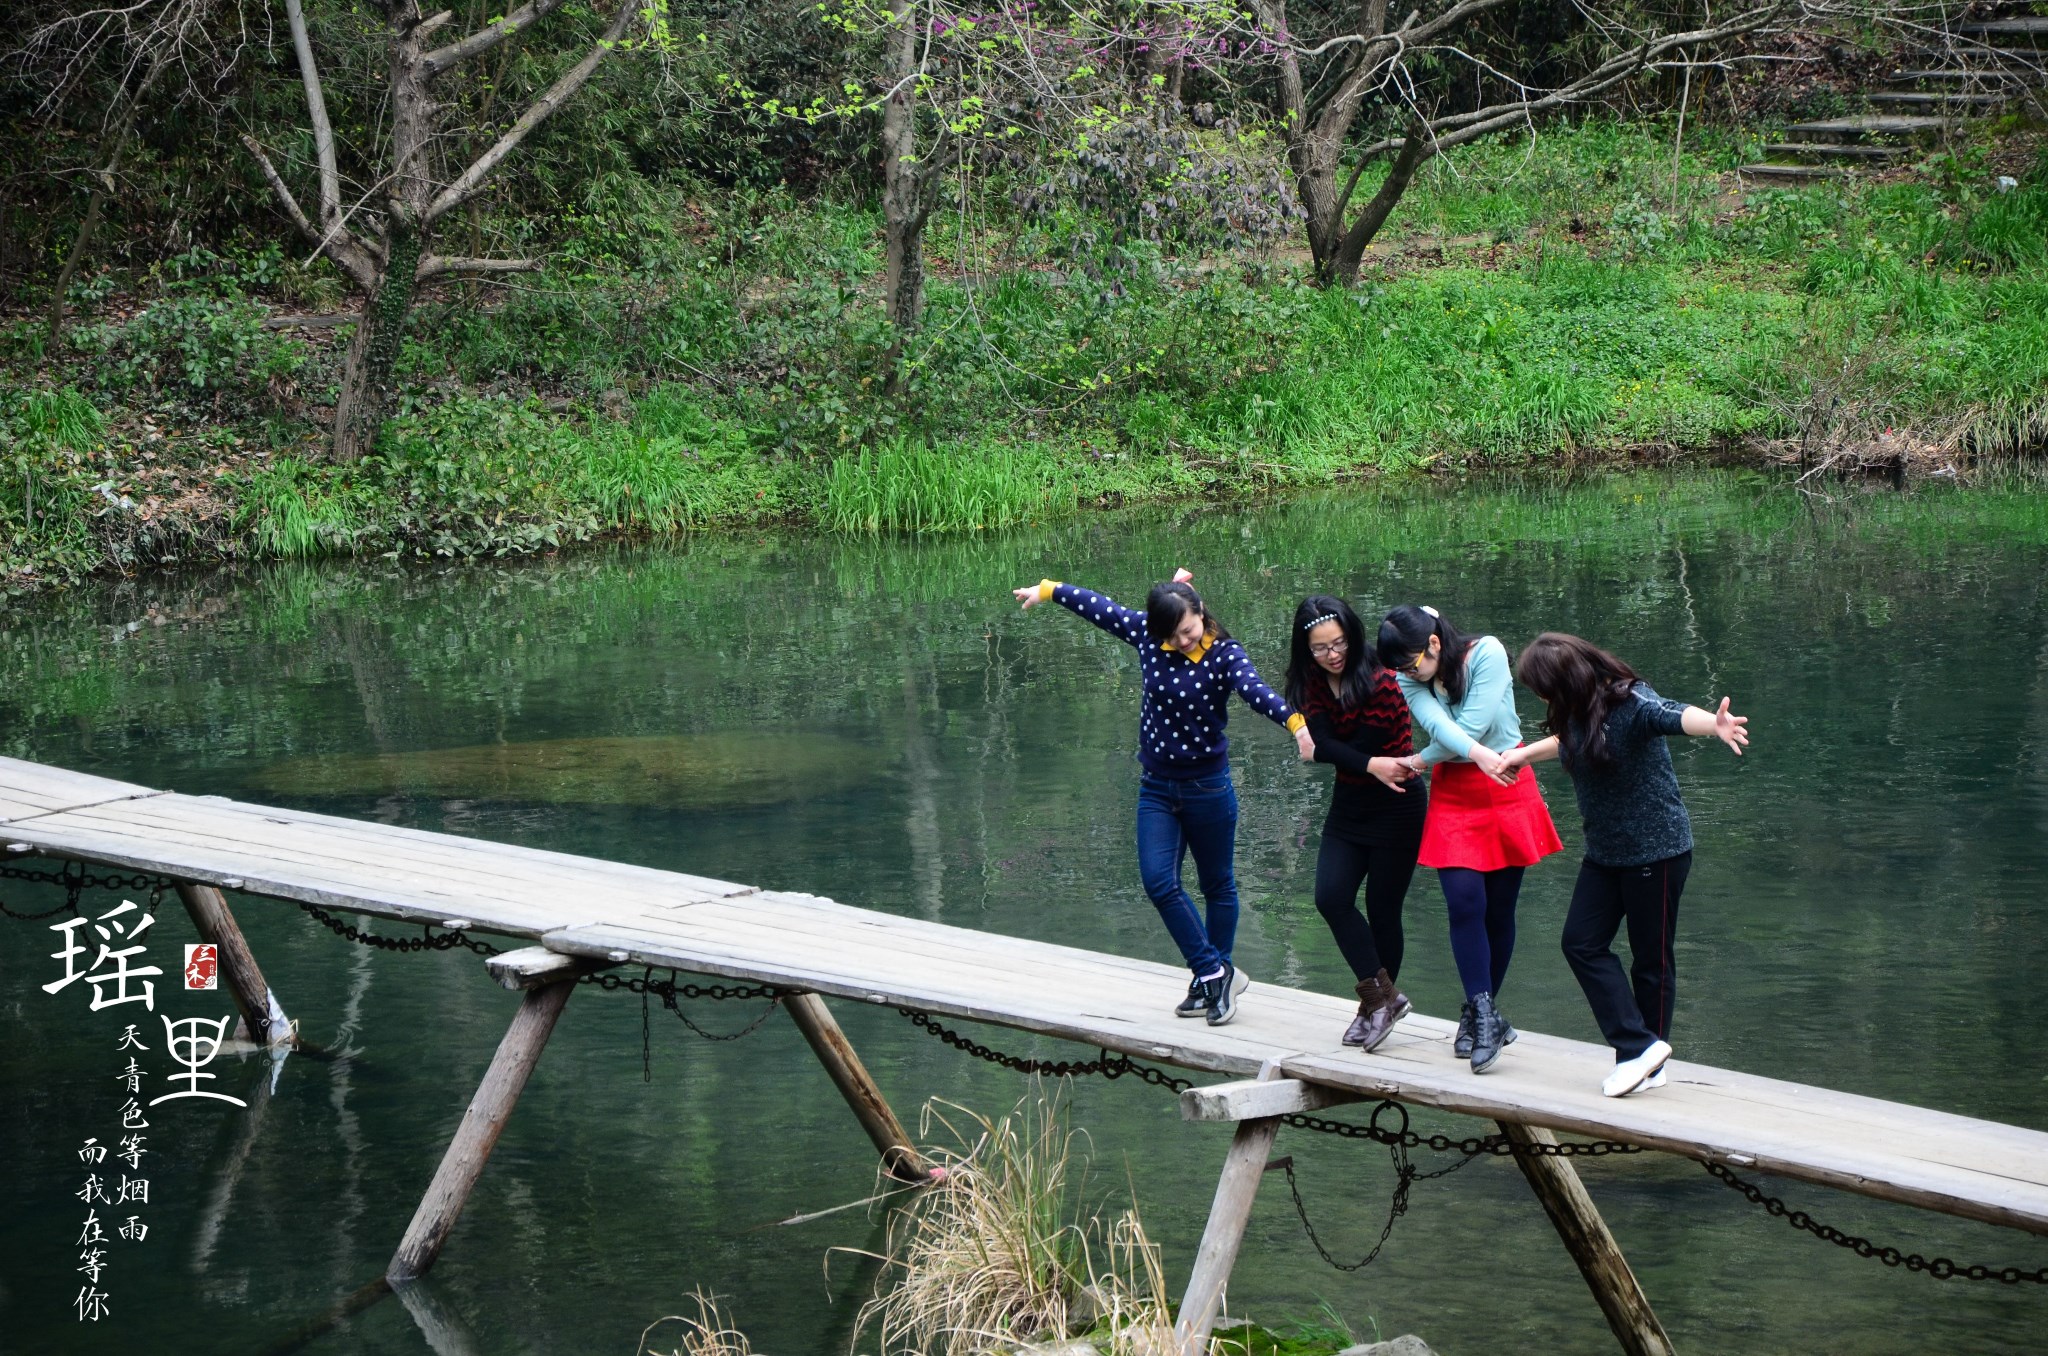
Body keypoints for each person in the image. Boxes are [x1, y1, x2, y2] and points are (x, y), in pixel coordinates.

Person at [1013, 570, 1314, 1026]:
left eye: (1188, 629)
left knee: (1218, 885)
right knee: (1158, 881)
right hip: (1156, 786)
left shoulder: (1224, 655)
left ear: (1200, 611)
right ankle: (1214, 971)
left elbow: (1255, 692)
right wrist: (1050, 591)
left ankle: (1211, 982)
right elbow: (1102, 609)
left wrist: (1297, 724)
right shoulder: (1150, 638)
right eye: (1173, 634)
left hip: (1207, 788)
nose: (1183, 639)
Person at [1502, 632, 1749, 1097]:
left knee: (1651, 961)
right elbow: (1568, 741)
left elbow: (1672, 715)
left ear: (1563, 678)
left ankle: (1643, 1063)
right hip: (1605, 853)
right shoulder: (1577, 708)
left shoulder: (1632, 700)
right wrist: (1522, 755)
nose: (1538, 695)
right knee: (1580, 943)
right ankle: (1640, 1047)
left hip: (1657, 853)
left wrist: (1712, 725)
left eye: (1540, 686)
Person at [1378, 604, 1562, 1074]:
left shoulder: (1489, 654)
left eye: (1411, 663)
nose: (1406, 675)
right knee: (1464, 902)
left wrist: (1418, 760)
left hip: (1507, 778)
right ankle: (1484, 1014)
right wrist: (1461, 756)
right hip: (1456, 789)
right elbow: (1443, 729)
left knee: (1500, 910)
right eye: (1400, 669)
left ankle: (1478, 1013)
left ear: (1435, 643)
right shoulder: (1409, 676)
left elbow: (1470, 726)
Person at [1284, 596, 1426, 1051]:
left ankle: (1373, 1009)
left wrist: (1345, 755)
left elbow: (1331, 746)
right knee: (1331, 897)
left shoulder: (1383, 679)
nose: (1333, 654)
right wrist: (1365, 763)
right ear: (1306, 649)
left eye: (1340, 643)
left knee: (1384, 909)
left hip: (1397, 803)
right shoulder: (1311, 682)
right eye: (1321, 648)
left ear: (1352, 635)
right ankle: (1383, 998)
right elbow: (1322, 746)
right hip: (1351, 804)